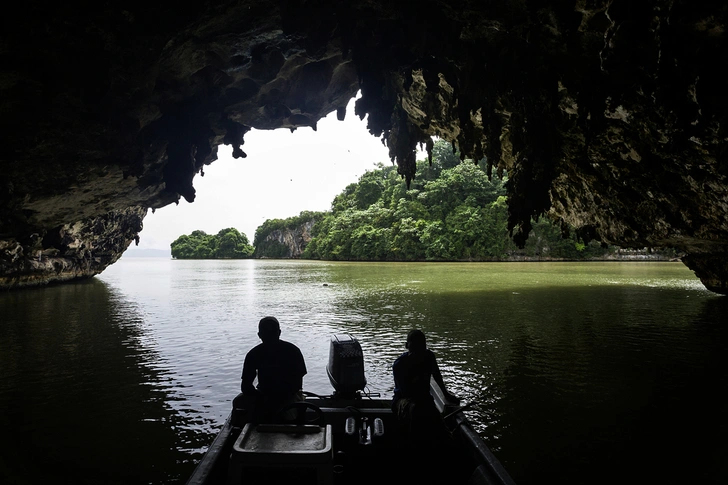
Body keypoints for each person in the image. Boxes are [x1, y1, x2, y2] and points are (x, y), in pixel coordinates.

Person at [391, 329, 460, 446]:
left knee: (444, 433)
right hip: (402, 400)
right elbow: (406, 392)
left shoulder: (429, 357)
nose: (418, 350)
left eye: (421, 346)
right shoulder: (400, 364)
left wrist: (446, 394)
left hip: (424, 400)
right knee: (415, 410)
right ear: (407, 346)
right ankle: (414, 444)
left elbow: (437, 376)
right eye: (415, 346)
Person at [233, 316, 307, 424]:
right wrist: (263, 399)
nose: (270, 337)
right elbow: (246, 386)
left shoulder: (254, 354)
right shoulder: (293, 351)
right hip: (263, 395)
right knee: (238, 402)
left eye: (272, 333)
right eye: (267, 333)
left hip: (288, 396)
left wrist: (273, 400)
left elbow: (296, 387)